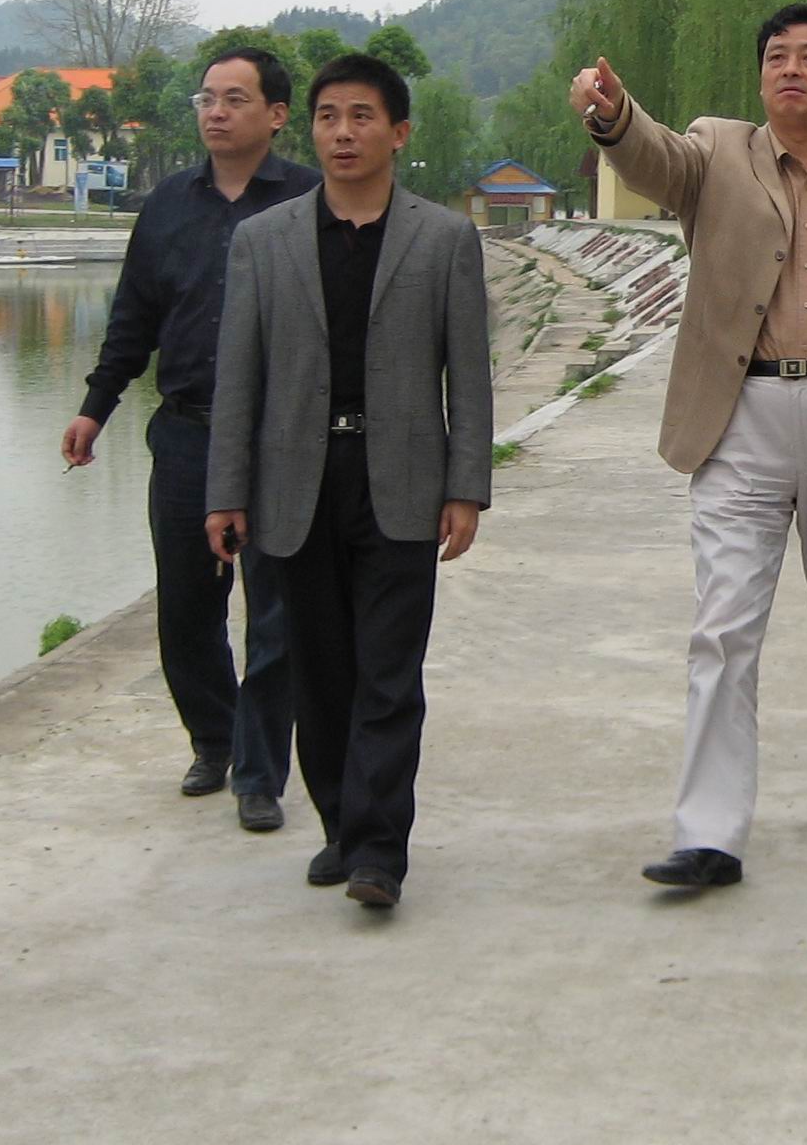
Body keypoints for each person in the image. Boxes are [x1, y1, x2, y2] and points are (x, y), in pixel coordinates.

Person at [571, 4, 807, 890]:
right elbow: (655, 160)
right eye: (776, 56)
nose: (790, 70)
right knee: (723, 628)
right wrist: (614, 117)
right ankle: (710, 832)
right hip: (743, 414)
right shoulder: (718, 152)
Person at [204, 53, 491, 913]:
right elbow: (239, 377)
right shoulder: (264, 242)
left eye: (362, 116)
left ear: (398, 133)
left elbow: (469, 375)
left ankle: (377, 850)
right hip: (296, 483)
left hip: (401, 480)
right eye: (328, 116)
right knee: (319, 673)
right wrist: (227, 492)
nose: (342, 132)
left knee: (389, 674)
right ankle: (340, 823)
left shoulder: (443, 240)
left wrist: (466, 486)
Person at [62, 47, 317, 831]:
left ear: (276, 115)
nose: (216, 112)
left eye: (235, 98)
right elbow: (133, 317)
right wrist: (96, 406)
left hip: (279, 442)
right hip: (186, 435)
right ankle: (215, 738)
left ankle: (260, 771)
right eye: (207, 98)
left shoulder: (309, 201)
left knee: (275, 615)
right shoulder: (169, 204)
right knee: (184, 608)